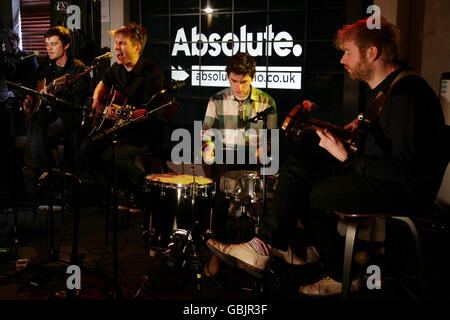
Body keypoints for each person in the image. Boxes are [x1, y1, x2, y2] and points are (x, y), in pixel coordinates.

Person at [206, 17, 447, 296]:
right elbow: (383, 146)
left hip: (404, 189)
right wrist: (355, 133)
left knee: (310, 191)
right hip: (382, 176)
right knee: (301, 165)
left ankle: (318, 264)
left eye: (348, 52)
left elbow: (404, 169)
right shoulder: (384, 92)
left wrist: (346, 157)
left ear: (372, 53)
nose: (343, 60)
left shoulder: (407, 94)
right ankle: (269, 247)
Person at [201, 52, 292, 277]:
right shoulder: (217, 100)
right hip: (226, 157)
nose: (238, 87)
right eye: (233, 81)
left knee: (261, 203)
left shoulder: (267, 102)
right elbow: (206, 134)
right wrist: (208, 146)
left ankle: (256, 251)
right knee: (219, 201)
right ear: (228, 78)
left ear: (252, 77)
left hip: (254, 159)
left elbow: (271, 139)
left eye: (243, 81)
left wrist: (265, 149)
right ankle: (217, 253)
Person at [79, 23, 170, 213]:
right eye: (116, 43)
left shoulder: (152, 73)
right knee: (87, 148)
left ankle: (146, 192)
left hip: (145, 132)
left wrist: (125, 114)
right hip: (121, 129)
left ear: (137, 47)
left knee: (112, 155)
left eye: (122, 43)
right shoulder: (116, 68)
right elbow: (102, 85)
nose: (116, 48)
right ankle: (109, 195)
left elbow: (151, 113)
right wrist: (97, 99)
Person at [23, 26, 90, 172]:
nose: (49, 49)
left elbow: (77, 102)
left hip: (69, 116)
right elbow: (31, 81)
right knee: (36, 124)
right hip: (49, 114)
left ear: (66, 45)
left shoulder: (78, 68)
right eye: (47, 45)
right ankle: (47, 171)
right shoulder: (48, 65)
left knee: (39, 130)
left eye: (54, 44)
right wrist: (29, 96)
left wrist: (55, 98)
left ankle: (43, 172)